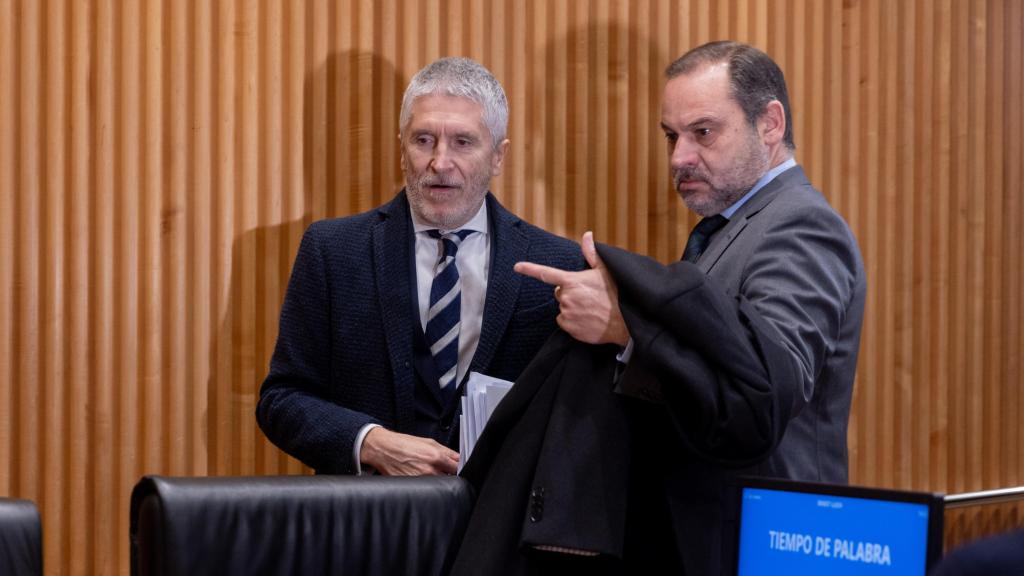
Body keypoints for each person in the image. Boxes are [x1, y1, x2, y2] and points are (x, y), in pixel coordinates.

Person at [515, 41, 867, 574]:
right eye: (671, 136)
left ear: (770, 124)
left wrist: (625, 331)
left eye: (703, 132)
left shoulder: (800, 226)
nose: (679, 157)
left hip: (772, 543)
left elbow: (766, 392)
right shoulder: (727, 230)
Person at [257, 57, 584, 476]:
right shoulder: (332, 251)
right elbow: (281, 399)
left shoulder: (556, 264)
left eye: (463, 142)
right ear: (402, 147)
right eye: (424, 140)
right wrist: (369, 441)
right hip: (369, 526)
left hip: (499, 528)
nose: (440, 162)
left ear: (498, 156)